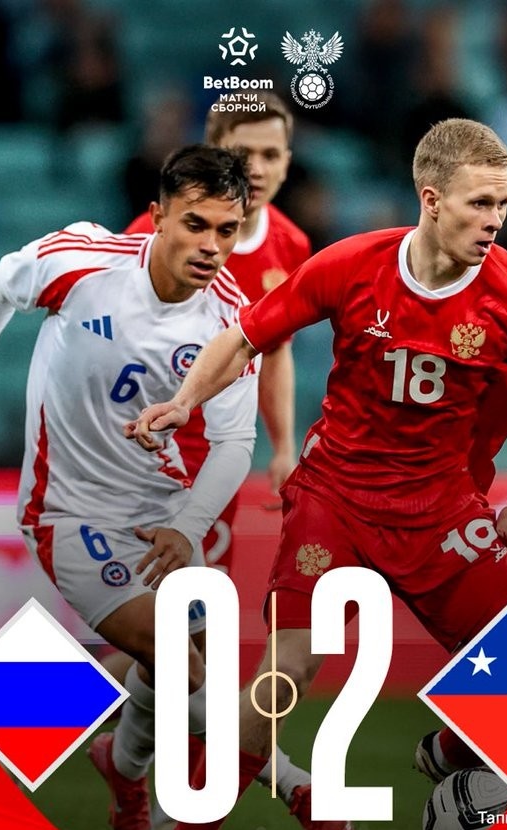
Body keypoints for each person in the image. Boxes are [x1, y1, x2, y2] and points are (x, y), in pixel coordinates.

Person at [130, 118, 507, 830]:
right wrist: (184, 401)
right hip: (336, 500)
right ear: (431, 200)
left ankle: (448, 753)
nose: (495, 221)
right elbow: (243, 336)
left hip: (443, 513)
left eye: (503, 204)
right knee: (285, 673)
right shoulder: (354, 265)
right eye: (479, 204)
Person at [0, 145, 344, 830]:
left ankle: (122, 767)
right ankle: (297, 784)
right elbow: (3, 281)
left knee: (169, 663)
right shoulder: (85, 261)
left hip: (163, 514)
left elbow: (235, 439)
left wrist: (186, 526)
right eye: (196, 225)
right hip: (68, 510)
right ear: (158, 217)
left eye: (227, 230)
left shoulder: (232, 320)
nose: (211, 246)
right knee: (179, 659)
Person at [126, 91, 310, 573]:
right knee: (148, 602)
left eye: (271, 155)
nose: (258, 169)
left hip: (218, 458)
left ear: (287, 162)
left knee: (197, 603)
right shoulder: (151, 234)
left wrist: (284, 448)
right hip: (147, 448)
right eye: (244, 153)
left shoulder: (291, 245)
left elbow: (276, 352)